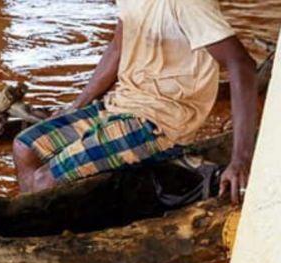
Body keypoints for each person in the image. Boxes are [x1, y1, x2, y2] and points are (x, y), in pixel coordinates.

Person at [13, 0, 259, 203]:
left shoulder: (188, 4)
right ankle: (37, 219)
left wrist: (240, 159)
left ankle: (50, 241)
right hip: (122, 104)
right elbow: (118, 49)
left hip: (161, 121)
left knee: (46, 180)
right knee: (24, 147)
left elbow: (242, 64)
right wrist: (76, 106)